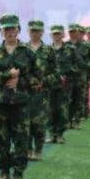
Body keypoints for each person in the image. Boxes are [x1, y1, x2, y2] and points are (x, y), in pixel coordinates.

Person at [0, 14, 41, 179]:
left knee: (21, 138)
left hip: (21, 102)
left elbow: (37, 76)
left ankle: (18, 172)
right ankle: (3, 172)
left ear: (18, 30)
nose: (9, 32)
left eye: (12, 28)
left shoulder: (27, 52)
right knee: (1, 139)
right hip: (1, 102)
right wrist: (7, 76)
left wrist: (20, 81)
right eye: (6, 29)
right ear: (1, 31)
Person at [25, 20, 57, 161]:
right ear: (28, 32)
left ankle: (38, 150)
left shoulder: (49, 50)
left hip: (42, 93)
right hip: (25, 92)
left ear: (42, 32)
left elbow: (55, 72)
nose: (35, 33)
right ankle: (28, 150)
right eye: (33, 31)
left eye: (37, 31)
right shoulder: (22, 49)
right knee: (25, 123)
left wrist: (43, 82)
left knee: (39, 123)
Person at [49, 25, 74, 144]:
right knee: (49, 110)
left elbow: (78, 65)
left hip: (64, 86)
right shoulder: (47, 50)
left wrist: (67, 74)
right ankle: (51, 133)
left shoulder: (70, 50)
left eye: (58, 33)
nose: (56, 36)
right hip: (49, 85)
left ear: (63, 35)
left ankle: (59, 134)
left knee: (62, 110)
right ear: (51, 35)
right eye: (54, 34)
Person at [67, 24, 90, 129]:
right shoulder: (65, 45)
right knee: (67, 100)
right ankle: (67, 121)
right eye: (71, 32)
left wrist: (87, 66)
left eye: (75, 32)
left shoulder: (85, 46)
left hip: (80, 77)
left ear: (79, 33)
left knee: (78, 100)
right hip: (68, 78)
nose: (73, 34)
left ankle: (76, 120)